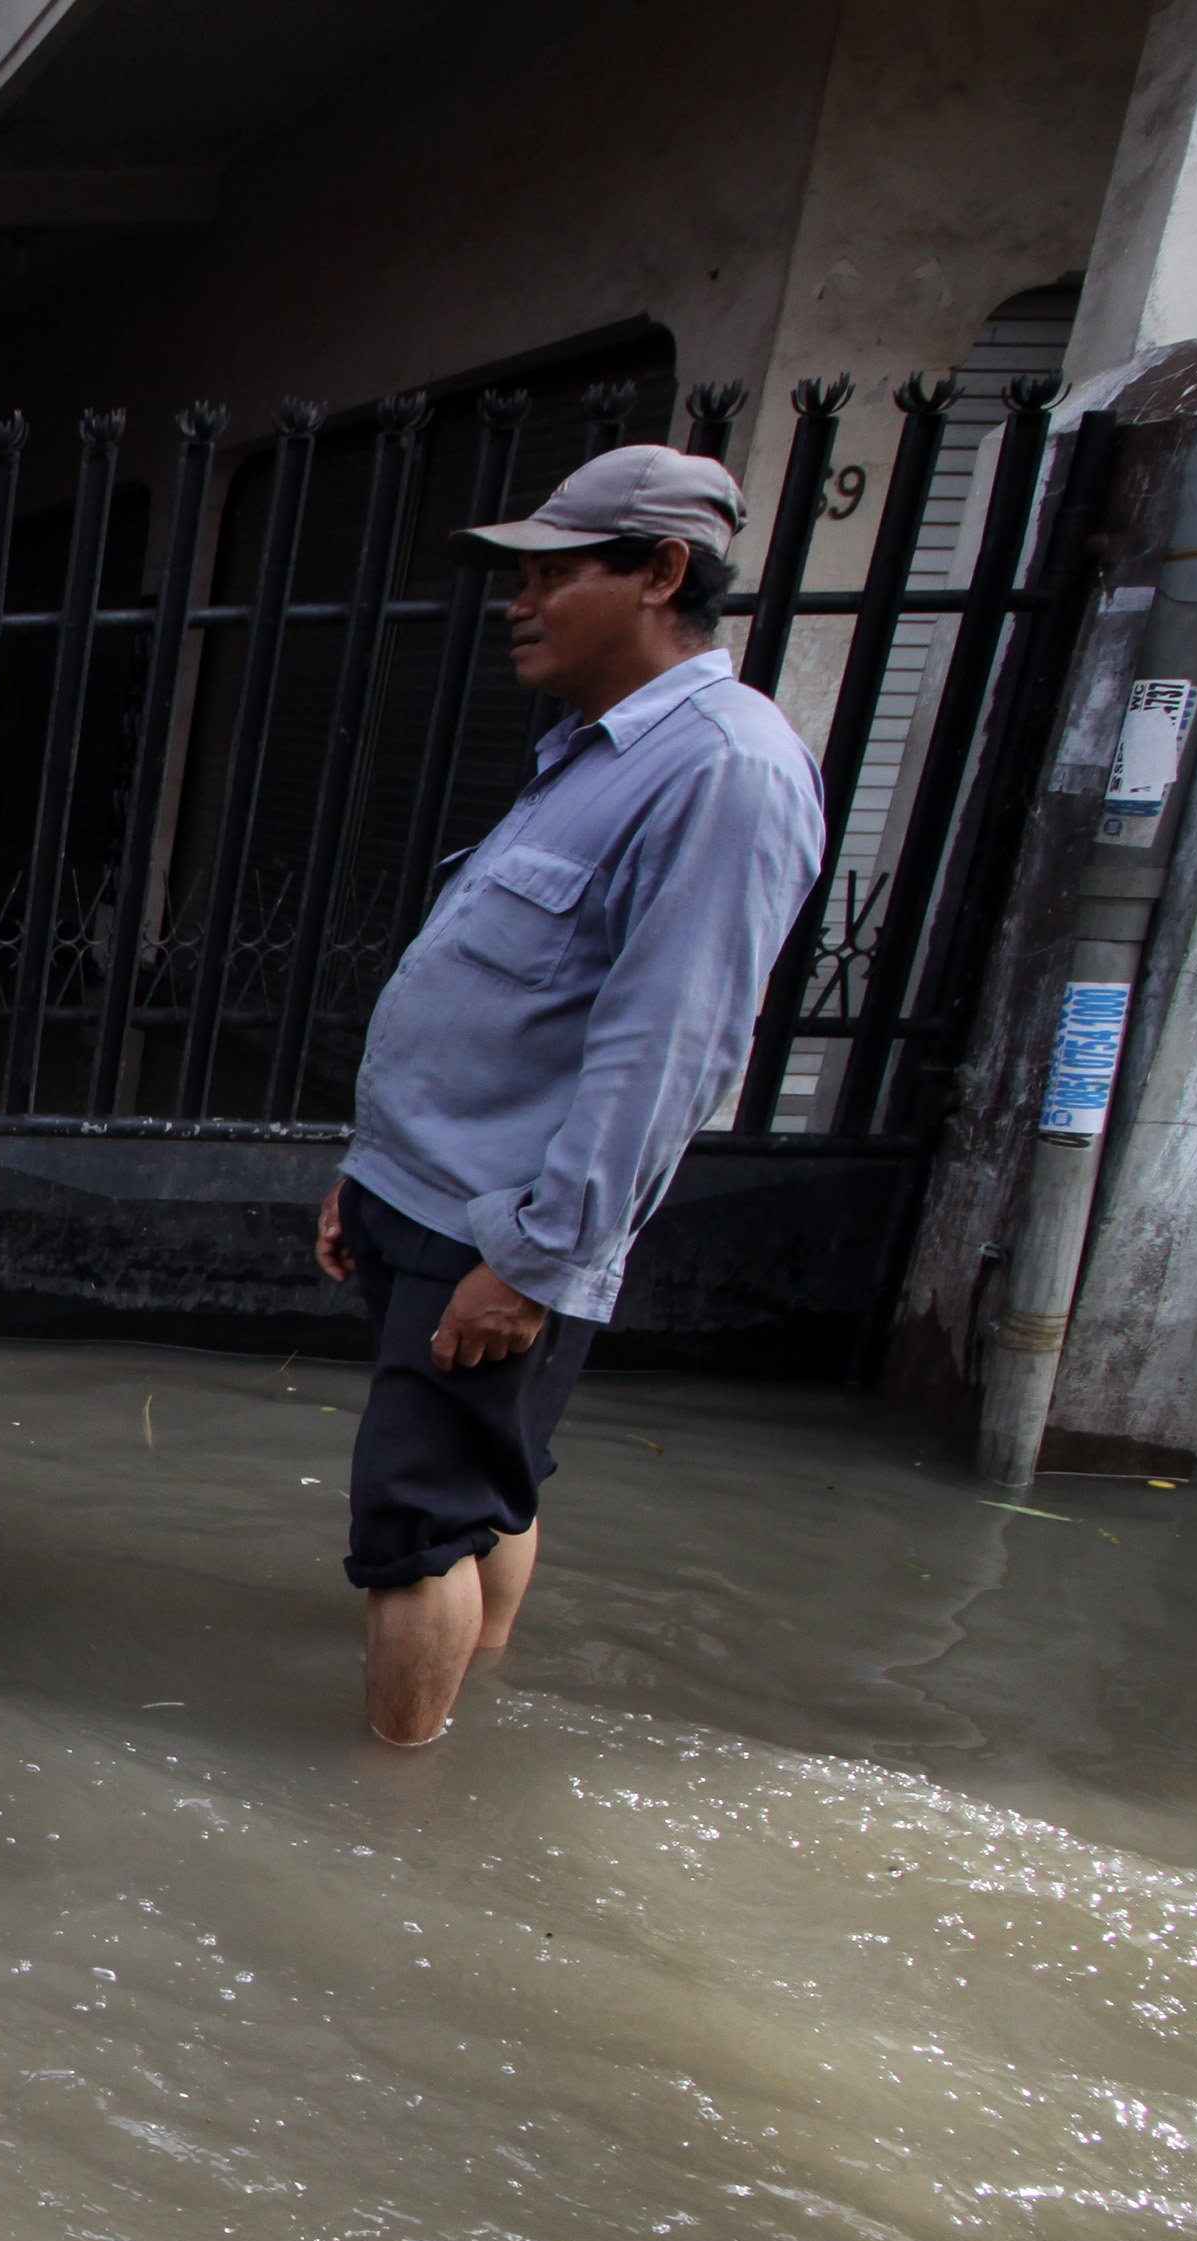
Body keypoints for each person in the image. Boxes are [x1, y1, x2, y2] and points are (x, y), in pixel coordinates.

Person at [314, 444, 825, 1749]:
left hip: (503, 1220)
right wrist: (366, 1174)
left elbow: (669, 1052)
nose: (519, 602)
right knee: (491, 1477)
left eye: (552, 575)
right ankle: (480, 1685)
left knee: (413, 1513)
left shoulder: (725, 771)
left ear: (660, 573)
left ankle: (400, 1804)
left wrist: (534, 1257)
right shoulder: (600, 754)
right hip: (430, 1191)